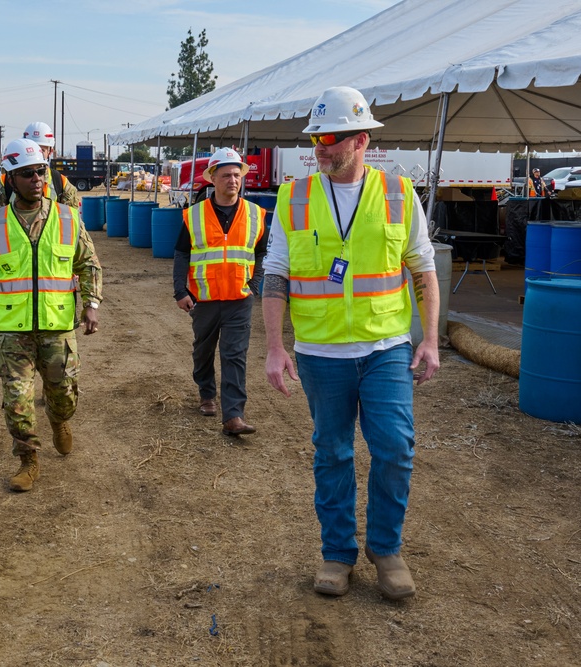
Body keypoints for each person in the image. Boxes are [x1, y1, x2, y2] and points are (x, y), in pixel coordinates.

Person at [262, 87, 440, 600]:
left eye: (332, 139)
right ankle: (337, 554)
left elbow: (422, 266)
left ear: (362, 140)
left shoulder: (398, 194)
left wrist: (429, 339)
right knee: (332, 452)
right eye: (316, 140)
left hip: (385, 349)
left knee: (395, 449)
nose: (320, 149)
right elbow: (276, 272)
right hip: (320, 355)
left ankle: (385, 549)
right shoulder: (293, 197)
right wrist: (275, 346)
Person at [0, 137, 102, 492]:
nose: (36, 179)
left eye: (40, 171)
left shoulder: (67, 217)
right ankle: (29, 459)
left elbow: (88, 263)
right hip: (14, 331)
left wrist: (91, 305)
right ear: (10, 179)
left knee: (64, 394)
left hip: (58, 327)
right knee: (16, 399)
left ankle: (60, 420)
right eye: (27, 174)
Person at [173, 147, 266, 437]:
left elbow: (261, 254)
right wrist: (180, 291)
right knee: (203, 351)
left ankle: (234, 415)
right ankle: (206, 393)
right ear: (212, 178)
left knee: (235, 355)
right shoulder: (194, 215)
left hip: (239, 299)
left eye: (237, 175)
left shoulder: (256, 214)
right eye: (226, 175)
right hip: (204, 299)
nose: (233, 180)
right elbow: (180, 255)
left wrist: (254, 285)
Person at [0, 121, 80, 212]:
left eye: (41, 150)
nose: (36, 154)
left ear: (50, 151)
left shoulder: (60, 182)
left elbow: (72, 220)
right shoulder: (6, 181)